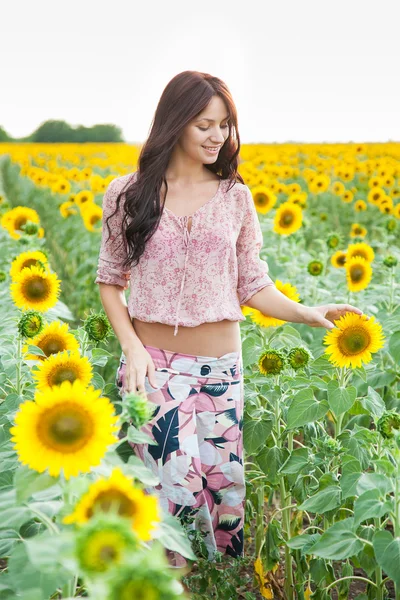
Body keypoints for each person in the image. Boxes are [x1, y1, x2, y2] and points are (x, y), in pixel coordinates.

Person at [95, 70, 365, 568]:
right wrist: (131, 347)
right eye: (204, 124)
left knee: (217, 498)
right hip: (154, 368)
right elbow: (110, 278)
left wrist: (308, 313)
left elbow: (253, 284)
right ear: (174, 124)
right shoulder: (128, 192)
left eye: (225, 125)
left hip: (222, 372)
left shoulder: (235, 197)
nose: (218, 136)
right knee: (166, 496)